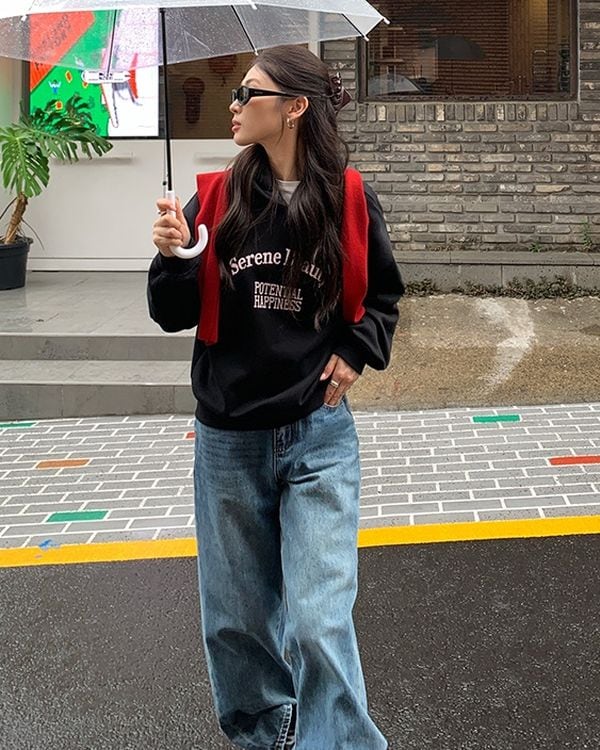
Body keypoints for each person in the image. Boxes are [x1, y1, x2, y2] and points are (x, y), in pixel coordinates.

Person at [147, 44, 404, 750]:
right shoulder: (215, 199)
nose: (233, 105)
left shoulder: (347, 198)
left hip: (317, 433)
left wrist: (356, 351)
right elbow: (170, 313)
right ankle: (266, 733)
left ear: (294, 107)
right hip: (228, 439)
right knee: (236, 619)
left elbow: (383, 296)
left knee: (319, 618)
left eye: (247, 93)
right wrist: (174, 256)